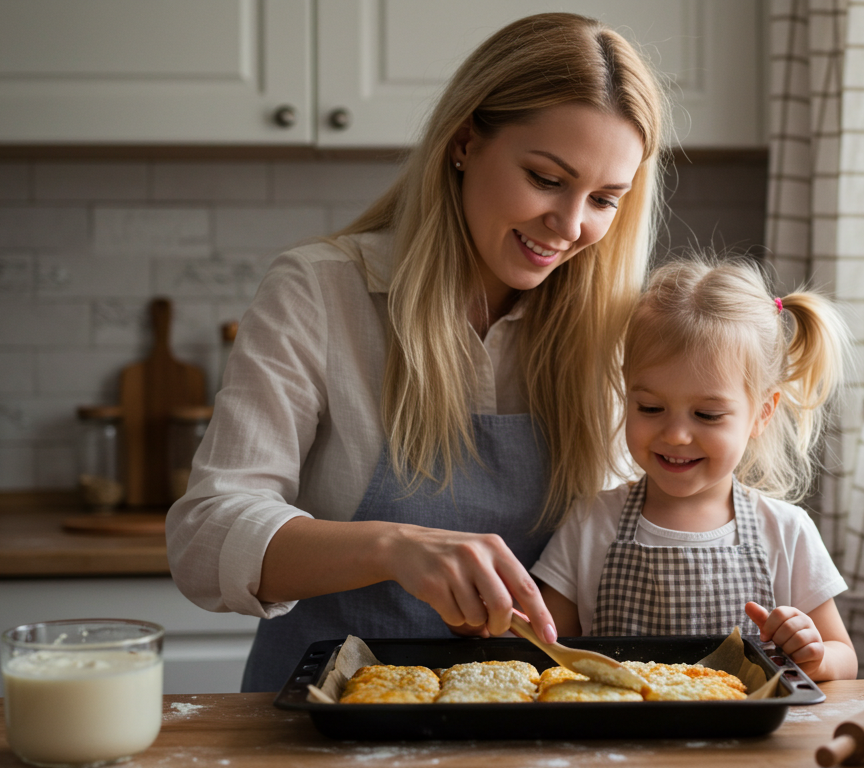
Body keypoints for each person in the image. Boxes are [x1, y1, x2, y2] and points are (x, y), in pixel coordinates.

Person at [166, 13, 670, 692]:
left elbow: (650, 517)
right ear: (465, 141)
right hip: (322, 723)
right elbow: (205, 537)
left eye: (605, 199)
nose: (573, 226)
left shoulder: (610, 327)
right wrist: (392, 547)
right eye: (547, 179)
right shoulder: (321, 293)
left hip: (534, 723)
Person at [529, 256, 859, 681]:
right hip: (619, 740)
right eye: (650, 407)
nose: (677, 435)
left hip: (745, 744)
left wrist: (815, 655)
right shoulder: (591, 522)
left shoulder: (787, 532)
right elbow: (547, 647)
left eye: (706, 414)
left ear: (762, 413)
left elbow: (845, 659)